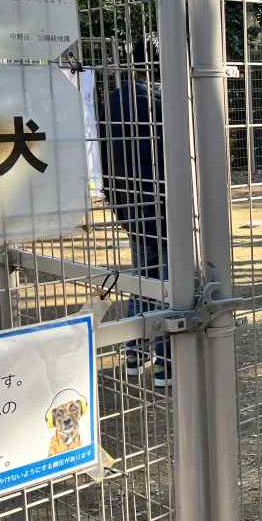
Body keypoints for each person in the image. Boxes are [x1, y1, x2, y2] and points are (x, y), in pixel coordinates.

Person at [103, 37, 171, 386]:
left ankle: (135, 352)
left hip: (127, 202)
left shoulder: (113, 99)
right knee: (170, 284)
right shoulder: (164, 99)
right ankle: (166, 365)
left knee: (143, 277)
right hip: (164, 204)